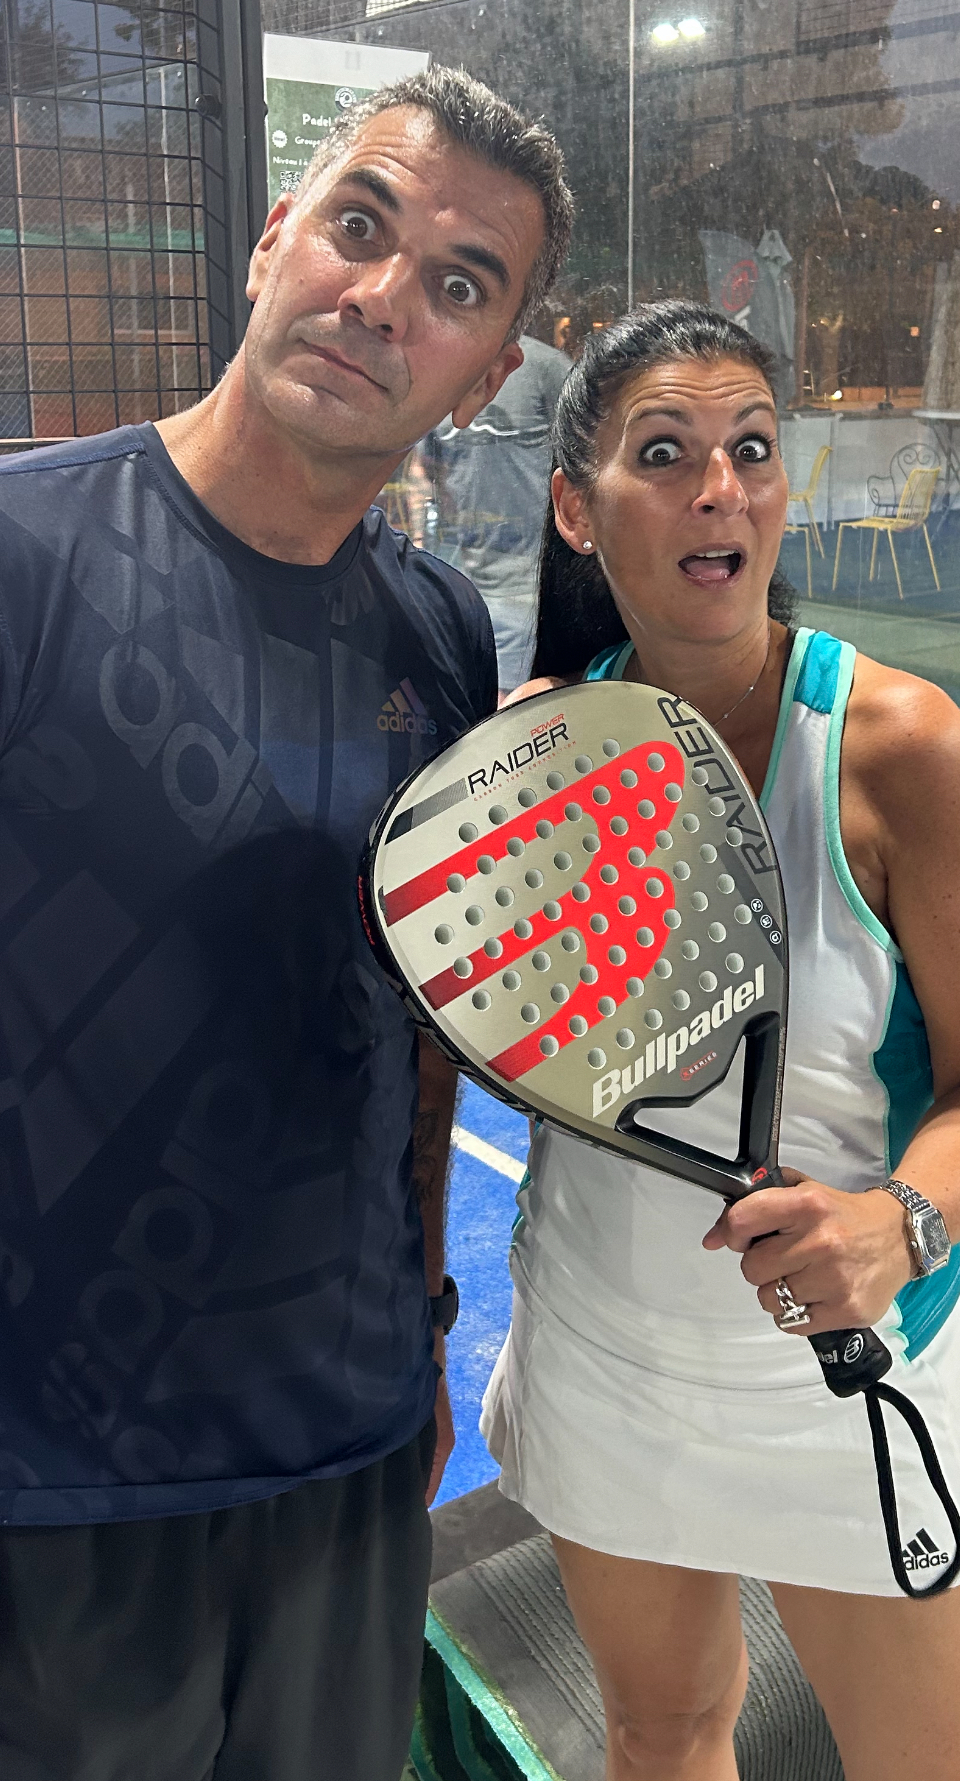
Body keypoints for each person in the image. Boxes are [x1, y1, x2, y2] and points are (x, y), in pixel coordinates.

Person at [0, 67, 571, 1781]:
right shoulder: (25, 554)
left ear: (486, 376)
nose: (384, 296)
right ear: (272, 244)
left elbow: (413, 1026)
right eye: (359, 225)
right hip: (57, 1487)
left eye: (458, 284)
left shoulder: (437, 632)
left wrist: (418, 1329)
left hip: (347, 1456)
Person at [481, 301, 960, 1781]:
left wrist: (901, 1219)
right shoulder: (533, 755)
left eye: (752, 449)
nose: (719, 490)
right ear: (577, 509)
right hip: (604, 1354)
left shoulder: (903, 748)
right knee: (659, 1732)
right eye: (664, 453)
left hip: (857, 1366)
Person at [420, 331, 570, 695]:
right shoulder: (436, 371)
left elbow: (585, 466)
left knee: (509, 711)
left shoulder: (546, 368)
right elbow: (432, 469)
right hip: (462, 587)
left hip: (528, 591)